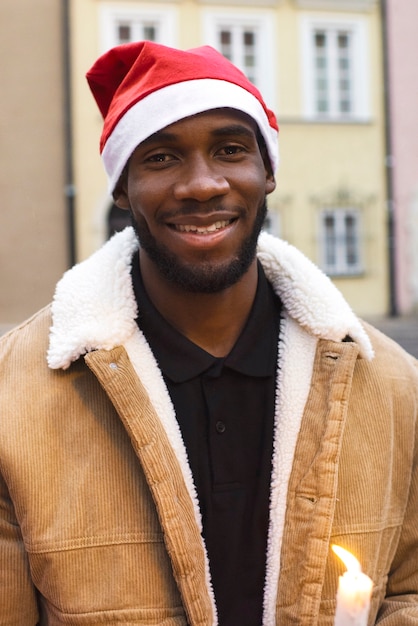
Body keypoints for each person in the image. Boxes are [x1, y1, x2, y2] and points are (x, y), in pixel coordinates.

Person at [0, 40, 417, 626]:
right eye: (162, 157)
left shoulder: (393, 384)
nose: (202, 184)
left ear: (266, 172)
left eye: (229, 149)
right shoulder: (12, 396)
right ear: (122, 189)